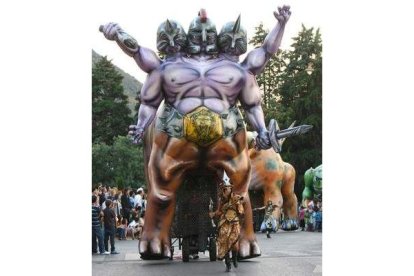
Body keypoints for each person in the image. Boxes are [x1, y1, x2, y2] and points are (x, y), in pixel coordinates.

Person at [101, 5, 291, 260]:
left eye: (209, 36)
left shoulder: (238, 69)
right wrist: (142, 125)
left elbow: (256, 92)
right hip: (179, 138)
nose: (203, 40)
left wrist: (280, 25)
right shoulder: (165, 67)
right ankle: (156, 239)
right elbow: (146, 90)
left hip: (222, 138)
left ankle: (243, 239)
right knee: (162, 191)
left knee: (238, 191)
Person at [210, 175, 244, 272]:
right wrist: (213, 214)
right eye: (224, 189)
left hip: (234, 222)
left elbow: (241, 210)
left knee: (234, 244)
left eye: (227, 189)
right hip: (224, 222)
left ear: (230, 189)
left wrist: (239, 207)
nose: (226, 191)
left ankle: (235, 258)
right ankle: (228, 263)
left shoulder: (236, 198)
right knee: (224, 243)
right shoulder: (221, 200)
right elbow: (219, 211)